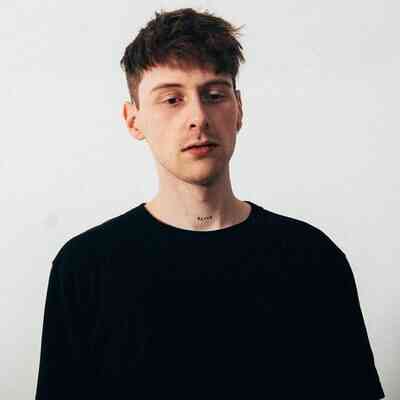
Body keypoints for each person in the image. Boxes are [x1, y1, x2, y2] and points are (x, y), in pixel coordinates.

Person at [35, 8, 385, 399]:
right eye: (172, 99)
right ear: (133, 120)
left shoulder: (313, 259)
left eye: (214, 95)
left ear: (239, 109)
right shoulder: (84, 268)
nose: (198, 117)